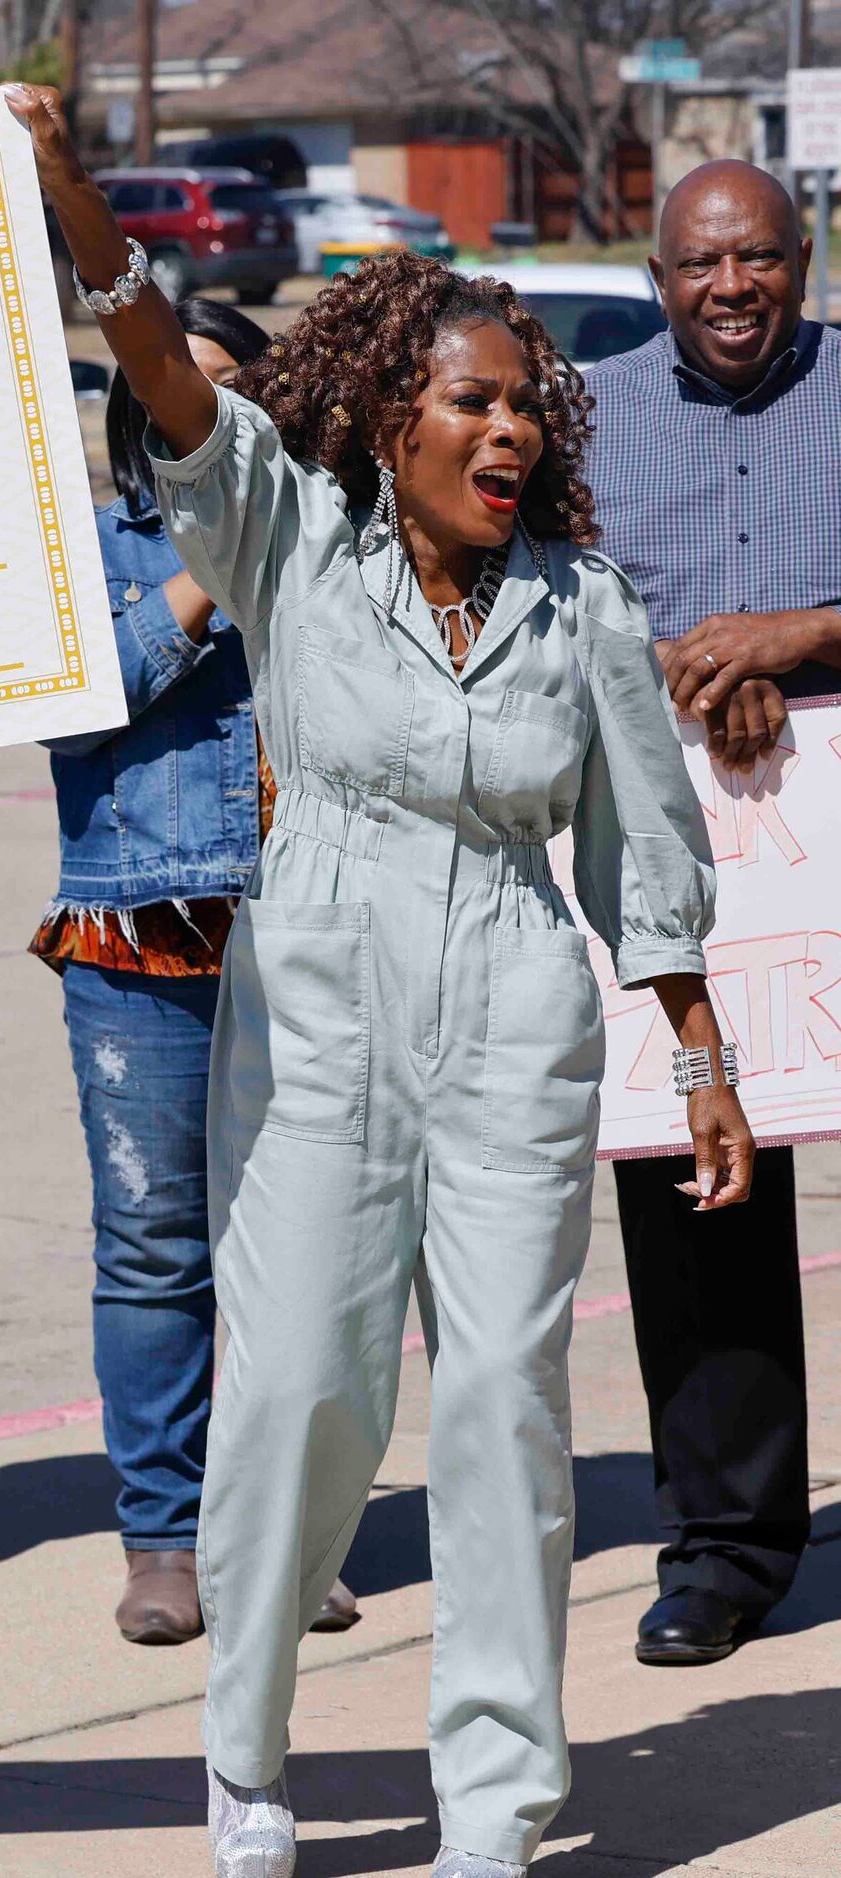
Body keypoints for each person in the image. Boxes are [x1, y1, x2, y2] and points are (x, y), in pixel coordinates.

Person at [9, 84, 755, 1878]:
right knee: (299, 1389)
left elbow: (641, 838)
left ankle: (494, 1802)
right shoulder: (288, 536)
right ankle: (247, 1759)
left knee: (504, 1401)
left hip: (512, 985)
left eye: (526, 405)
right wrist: (67, 195)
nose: (507, 429)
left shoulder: (577, 602)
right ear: (383, 412)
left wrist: (699, 1038)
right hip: (322, 980)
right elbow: (172, 382)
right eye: (471, 399)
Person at [36, 295, 355, 1648]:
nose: (201, 414)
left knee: (300, 1252)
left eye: (229, 391)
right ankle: (163, 1536)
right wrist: (205, 574)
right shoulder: (85, 550)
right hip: (139, 942)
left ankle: (287, 1529)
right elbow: (73, 700)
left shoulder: (323, 546)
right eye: (176, 388)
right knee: (157, 1246)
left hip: (308, 936)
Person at [581, 157, 841, 1669]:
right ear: (658, 277)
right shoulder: (586, 410)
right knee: (702, 1181)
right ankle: (726, 1546)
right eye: (698, 266)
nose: (729, 288)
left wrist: (796, 633)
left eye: (756, 261)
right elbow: (536, 593)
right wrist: (681, 659)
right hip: (687, 855)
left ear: (801, 260)